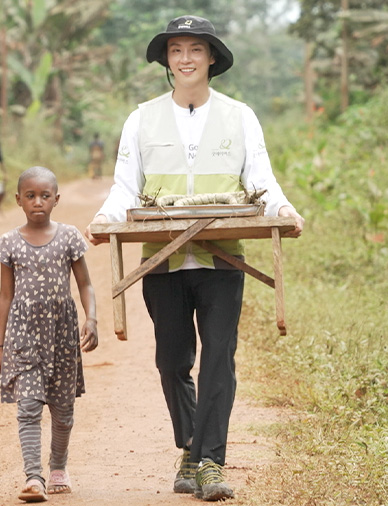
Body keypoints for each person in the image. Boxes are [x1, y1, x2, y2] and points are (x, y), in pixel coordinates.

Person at [84, 15, 305, 502]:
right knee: (171, 361)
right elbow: (125, 186)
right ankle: (191, 446)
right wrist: (104, 219)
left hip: (223, 257)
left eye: (195, 50)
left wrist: (282, 208)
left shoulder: (240, 115)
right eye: (176, 49)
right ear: (166, 59)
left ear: (211, 59)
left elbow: (260, 178)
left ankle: (209, 461)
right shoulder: (141, 118)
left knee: (219, 357)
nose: (185, 58)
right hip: (160, 260)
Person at [0, 166, 99, 503]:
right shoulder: (9, 243)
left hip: (62, 337)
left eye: (44, 196)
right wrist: (0, 347)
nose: (37, 202)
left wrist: (91, 318)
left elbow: (85, 284)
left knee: (63, 409)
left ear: (56, 199)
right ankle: (33, 477)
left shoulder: (69, 237)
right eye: (30, 196)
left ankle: (58, 468)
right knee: (28, 407)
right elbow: (5, 296)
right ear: (18, 200)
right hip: (23, 336)